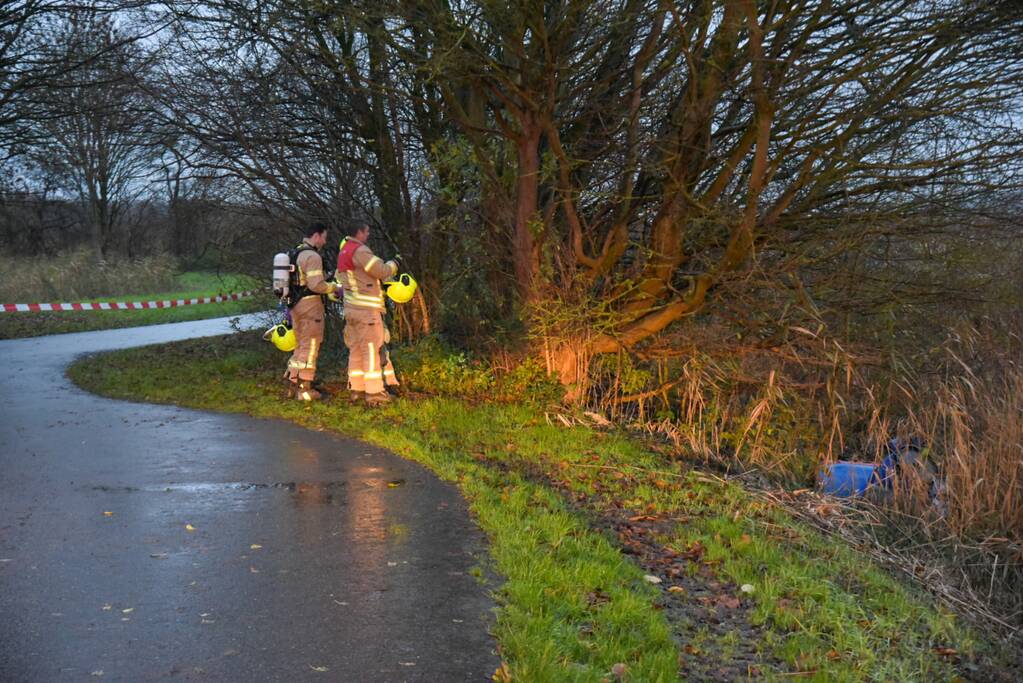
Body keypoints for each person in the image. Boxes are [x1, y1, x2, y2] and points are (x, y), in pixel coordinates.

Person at [336, 223, 399, 406]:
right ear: (360, 232)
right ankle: (375, 393)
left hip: (351, 310)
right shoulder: (360, 250)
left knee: (356, 350)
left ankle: (357, 389)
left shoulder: (344, 251)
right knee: (371, 350)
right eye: (367, 231)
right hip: (367, 312)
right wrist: (394, 263)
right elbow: (381, 271)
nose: (368, 234)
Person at [284, 222, 337, 401]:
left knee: (300, 345)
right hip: (310, 306)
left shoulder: (293, 253)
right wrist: (335, 288)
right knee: (311, 345)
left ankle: (292, 383)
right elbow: (316, 285)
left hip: (295, 306)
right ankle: (305, 388)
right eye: (324, 237)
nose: (324, 241)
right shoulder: (312, 256)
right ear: (316, 236)